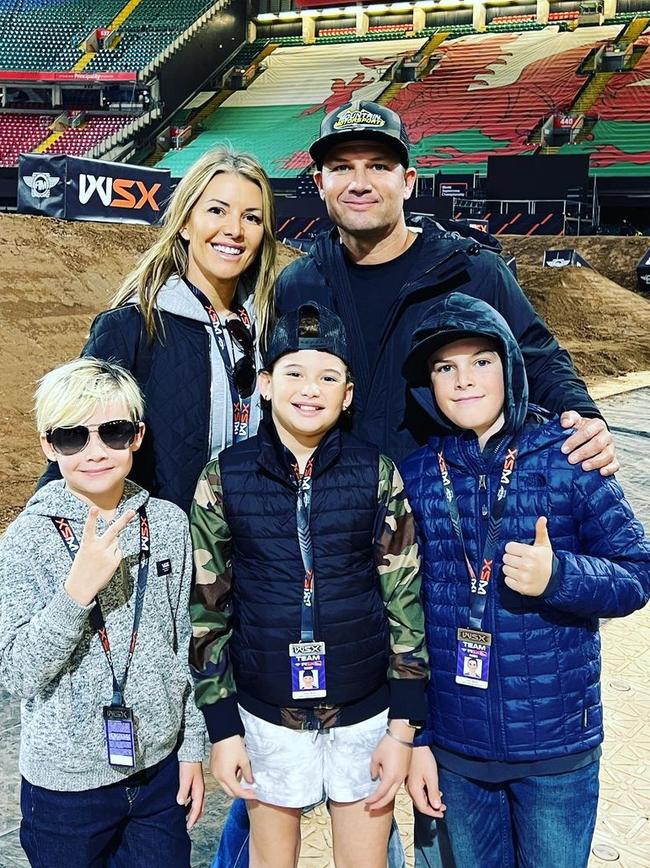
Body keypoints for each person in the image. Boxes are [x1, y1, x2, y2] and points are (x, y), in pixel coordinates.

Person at [399, 293, 650, 868]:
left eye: (481, 361)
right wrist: (417, 739)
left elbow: (637, 571)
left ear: (510, 367)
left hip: (555, 745)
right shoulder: (414, 477)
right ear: (428, 384)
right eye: (446, 367)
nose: (464, 380)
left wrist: (559, 575)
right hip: (457, 748)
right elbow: (403, 620)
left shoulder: (567, 456)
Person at [190, 302, 430, 868]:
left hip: (365, 713)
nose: (310, 388)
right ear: (268, 384)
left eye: (328, 376)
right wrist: (222, 729)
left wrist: (402, 726)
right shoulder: (224, 475)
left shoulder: (376, 473)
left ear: (347, 394)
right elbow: (208, 612)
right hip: (266, 712)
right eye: (294, 373)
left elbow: (403, 601)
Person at [275, 99, 618, 476]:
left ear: (407, 182)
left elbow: (539, 360)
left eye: (378, 166)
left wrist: (584, 416)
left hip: (447, 512)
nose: (359, 184)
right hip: (338, 511)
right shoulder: (299, 284)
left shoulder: (472, 272)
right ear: (320, 183)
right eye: (342, 167)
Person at [0, 358, 206, 867]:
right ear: (49, 445)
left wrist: (192, 748)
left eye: (112, 432)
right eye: (73, 437)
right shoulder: (27, 539)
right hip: (66, 789)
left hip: (158, 772)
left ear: (136, 436)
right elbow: (18, 673)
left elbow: (188, 644)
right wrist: (76, 593)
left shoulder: (167, 524)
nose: (95, 452)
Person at [40, 146, 277, 514]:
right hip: (164, 556)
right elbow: (74, 448)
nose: (234, 230)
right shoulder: (131, 327)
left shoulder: (272, 328)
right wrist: (37, 540)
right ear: (185, 223)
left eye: (252, 217)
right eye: (217, 210)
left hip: (253, 557)